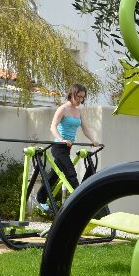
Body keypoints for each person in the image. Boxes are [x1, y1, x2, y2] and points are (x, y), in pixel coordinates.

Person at [36, 83, 99, 212]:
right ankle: (81, 201)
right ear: (72, 94)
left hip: (67, 148)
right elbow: (53, 127)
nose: (81, 100)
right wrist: (62, 140)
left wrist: (93, 140)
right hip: (58, 147)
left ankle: (40, 198)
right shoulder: (63, 109)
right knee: (71, 173)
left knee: (54, 176)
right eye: (79, 96)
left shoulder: (79, 112)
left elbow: (85, 128)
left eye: (83, 97)